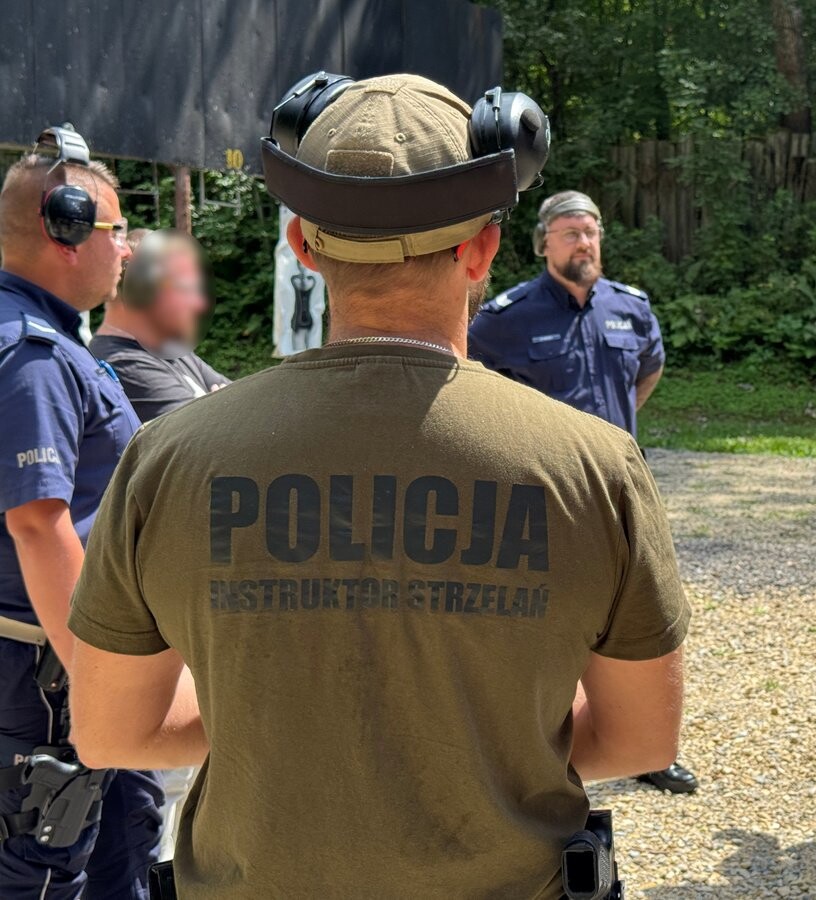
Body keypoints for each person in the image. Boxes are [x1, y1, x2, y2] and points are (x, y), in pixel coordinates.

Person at [66, 73, 689, 898]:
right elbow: (642, 739)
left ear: (302, 243)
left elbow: (111, 731)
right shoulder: (597, 466)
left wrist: (276, 724)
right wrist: (486, 739)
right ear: (482, 248)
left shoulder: (168, 457)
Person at [470, 190, 698, 795]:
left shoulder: (630, 307)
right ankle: (542, 743)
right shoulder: (504, 318)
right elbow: (467, 386)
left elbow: (647, 372)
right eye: (570, 233)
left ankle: (642, 749)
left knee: (631, 617)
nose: (583, 243)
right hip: (541, 495)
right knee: (545, 619)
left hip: (620, 493)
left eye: (591, 232)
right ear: (543, 242)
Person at [0, 127, 163, 898]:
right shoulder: (35, 357)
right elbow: (38, 521)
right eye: (115, 229)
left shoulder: (39, 340)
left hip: (35, 667)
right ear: (64, 230)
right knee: (39, 877)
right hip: (43, 675)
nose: (126, 250)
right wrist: (98, 679)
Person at [90, 229, 229, 420]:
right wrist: (227, 411)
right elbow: (204, 438)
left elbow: (247, 400)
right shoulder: (123, 363)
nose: (198, 303)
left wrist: (226, 410)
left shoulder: (169, 348)